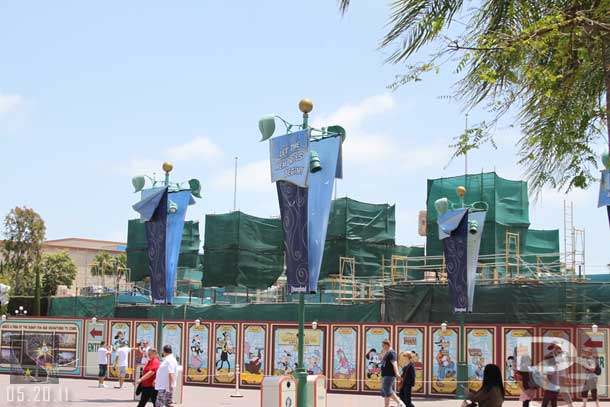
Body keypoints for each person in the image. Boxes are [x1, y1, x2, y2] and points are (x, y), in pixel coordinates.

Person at [380, 339, 406, 407]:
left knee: (387, 390)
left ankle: (400, 403)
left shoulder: (392, 353)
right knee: (386, 392)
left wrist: (397, 373)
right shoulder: (387, 353)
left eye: (383, 345)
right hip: (385, 375)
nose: (382, 347)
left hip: (389, 375)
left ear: (386, 345)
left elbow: (394, 363)